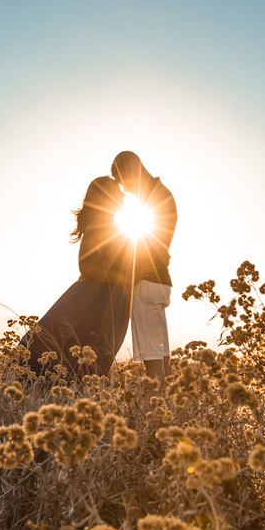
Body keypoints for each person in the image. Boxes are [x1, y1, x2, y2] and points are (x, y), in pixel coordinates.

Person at [21, 176, 133, 379]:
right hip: (97, 301)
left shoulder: (110, 224)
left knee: (93, 352)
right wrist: (123, 278)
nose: (123, 193)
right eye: (118, 190)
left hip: (109, 300)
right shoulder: (100, 224)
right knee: (84, 349)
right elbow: (86, 264)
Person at [111, 151, 177, 384]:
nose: (126, 191)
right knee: (160, 351)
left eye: (124, 183)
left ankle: (159, 406)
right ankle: (172, 406)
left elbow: (151, 246)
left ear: (131, 171)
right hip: (157, 280)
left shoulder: (154, 198)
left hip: (148, 281)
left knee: (153, 356)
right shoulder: (159, 194)